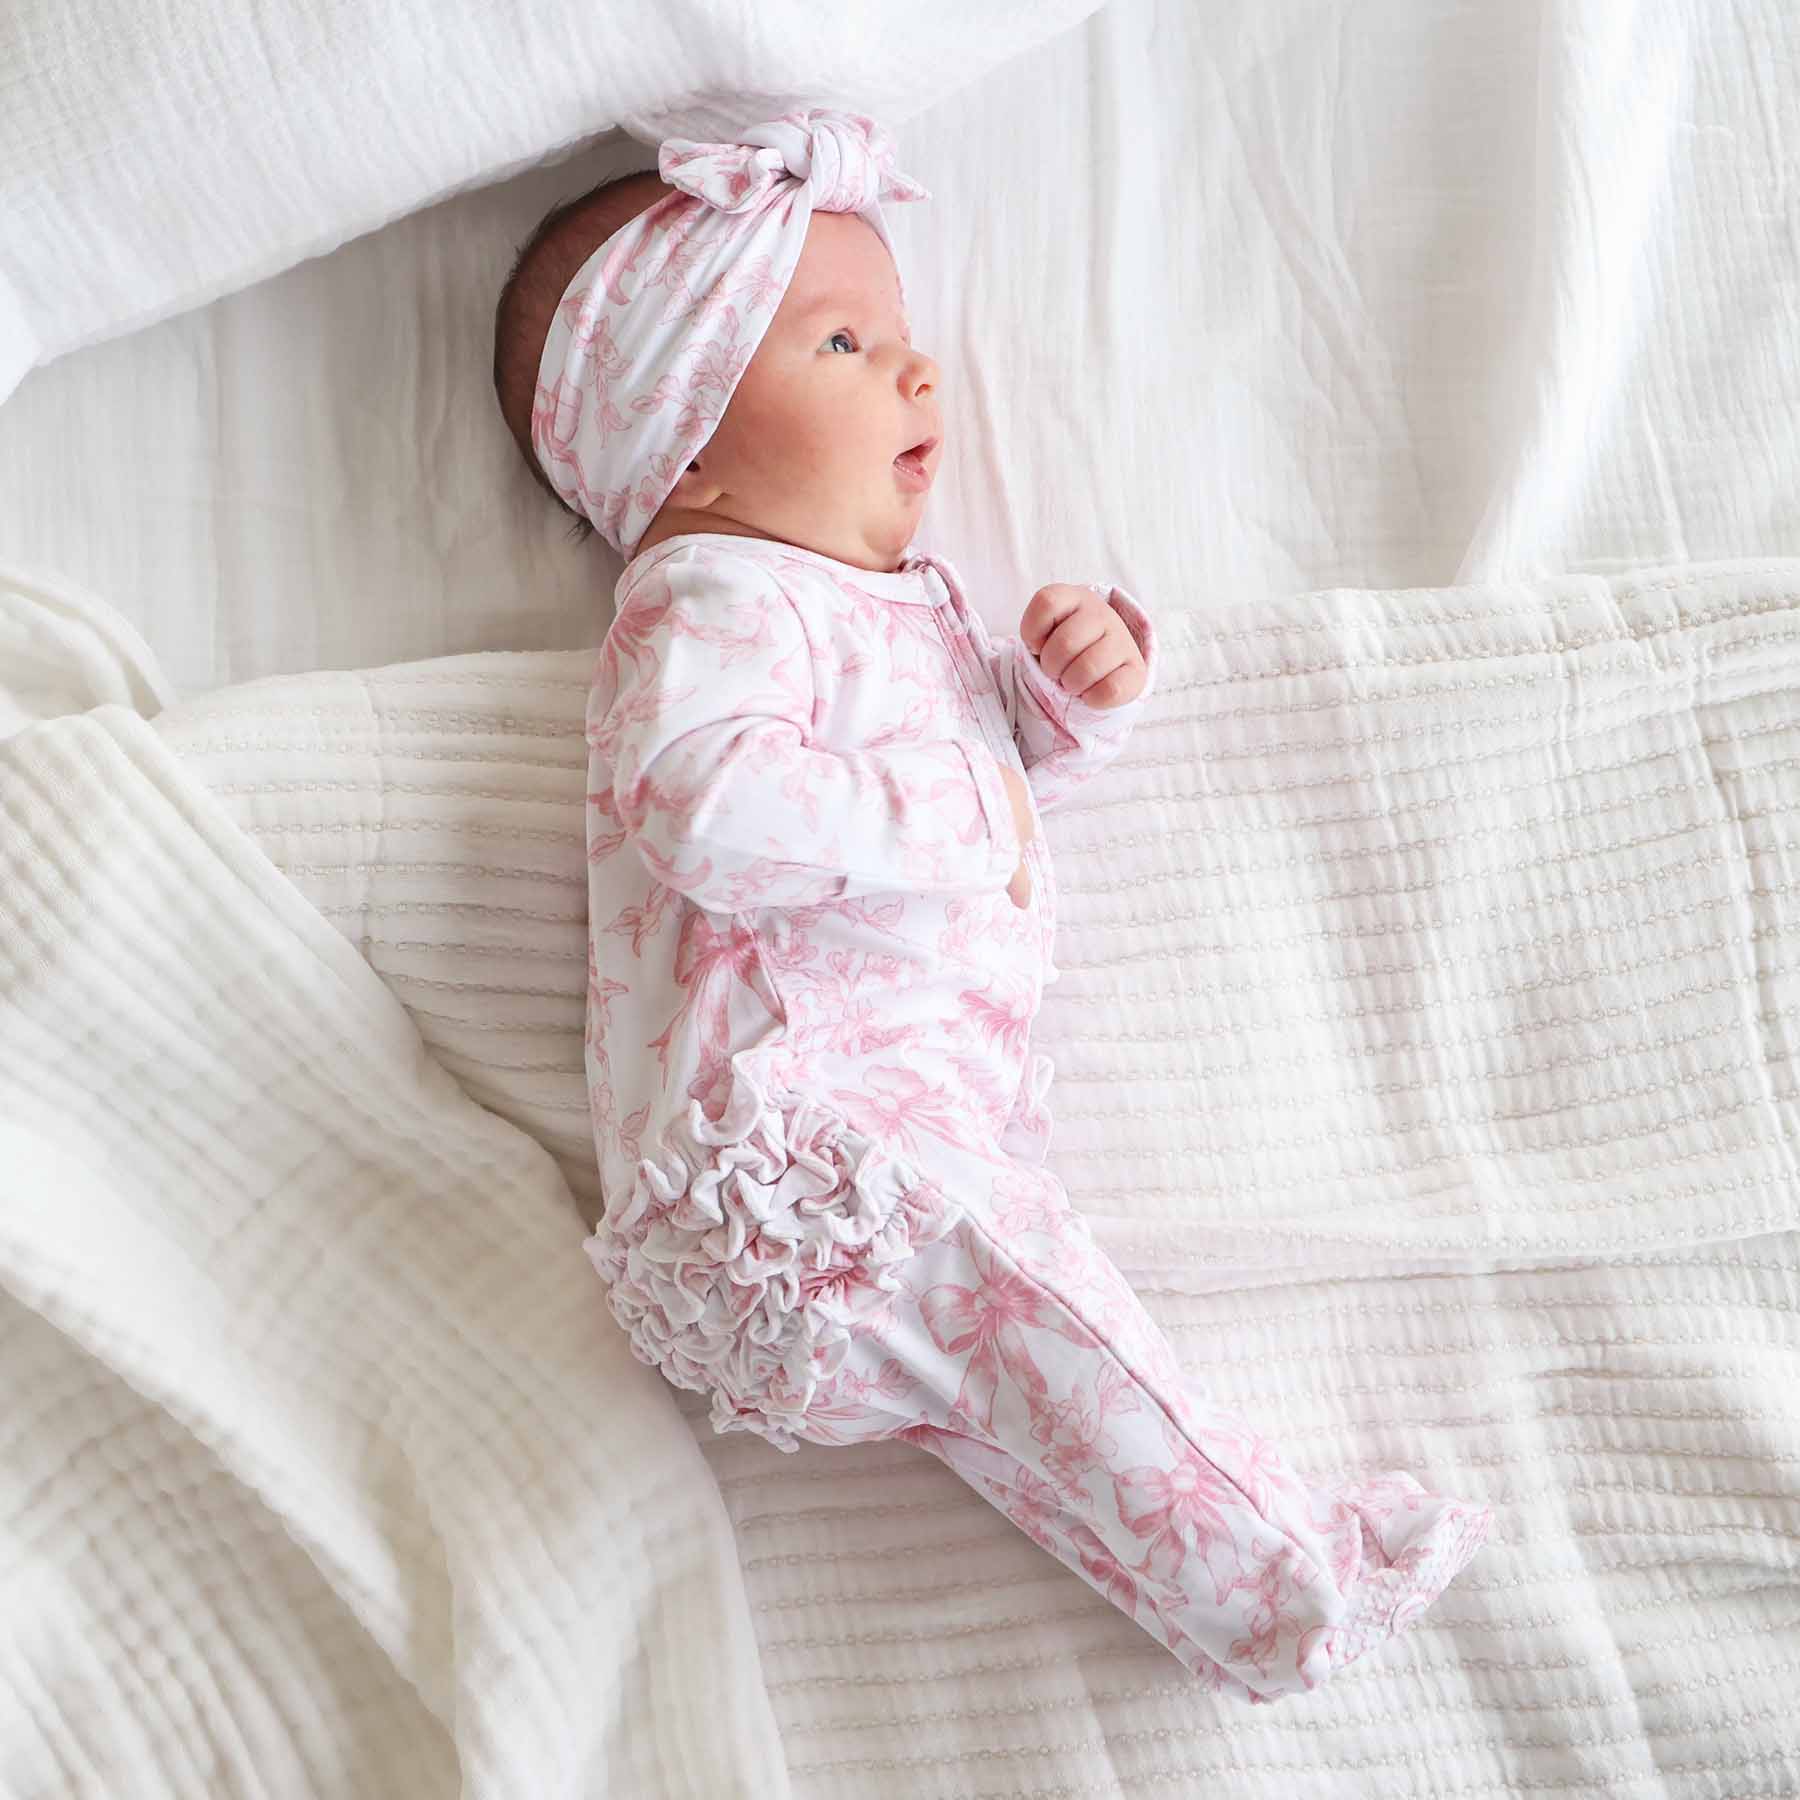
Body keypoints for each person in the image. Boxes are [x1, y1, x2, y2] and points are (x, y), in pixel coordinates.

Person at [489, 108, 1490, 1701]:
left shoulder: (868, 605)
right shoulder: (715, 598)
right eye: (842, 342)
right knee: (1075, 1354)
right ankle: (1285, 1580)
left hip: (854, 1188)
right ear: (682, 447)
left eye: (897, 333)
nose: (916, 370)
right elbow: (708, 806)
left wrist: (1052, 709)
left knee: (1041, 1416)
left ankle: (1231, 1612)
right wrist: (971, 802)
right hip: (815, 1151)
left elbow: (968, 796)